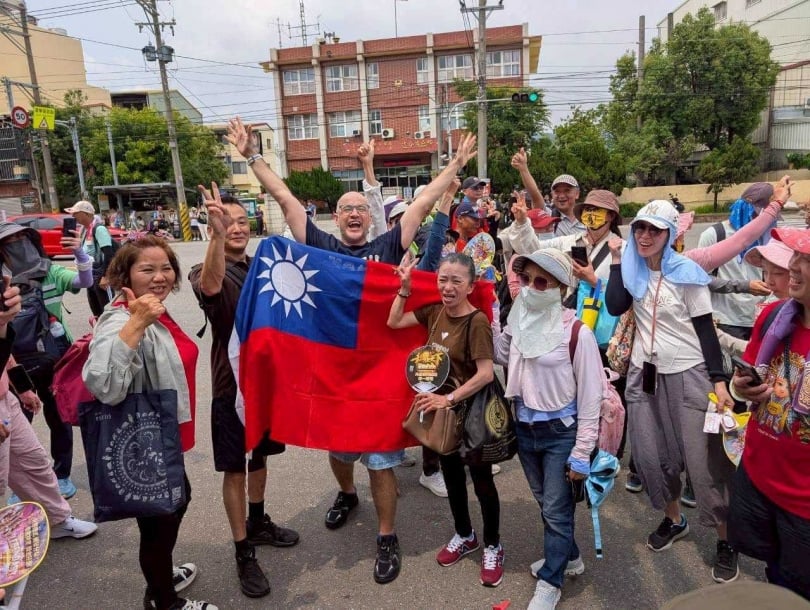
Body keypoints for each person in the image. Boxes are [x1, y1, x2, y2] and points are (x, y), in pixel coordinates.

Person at [220, 115, 477, 584]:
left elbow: (419, 205)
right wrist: (252, 156)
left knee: (380, 460)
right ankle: (346, 494)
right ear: (335, 218)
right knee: (338, 452)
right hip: (333, 380)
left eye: (361, 205)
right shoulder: (317, 248)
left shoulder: (386, 244)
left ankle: (385, 535)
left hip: (380, 379)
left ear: (369, 216)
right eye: (346, 207)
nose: (354, 212)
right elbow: (284, 198)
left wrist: (454, 165)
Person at [605, 199, 739, 583]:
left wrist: (718, 379)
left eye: (655, 230)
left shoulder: (687, 274)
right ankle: (673, 518)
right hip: (644, 375)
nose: (645, 236)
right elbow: (616, 305)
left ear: (670, 235)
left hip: (689, 373)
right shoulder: (633, 268)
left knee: (703, 463)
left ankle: (725, 538)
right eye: (640, 229)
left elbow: (704, 330)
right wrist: (617, 261)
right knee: (650, 455)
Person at [83, 235, 217, 610]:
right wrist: (136, 322)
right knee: (160, 521)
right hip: (144, 441)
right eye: (147, 269)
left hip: (163, 435)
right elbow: (104, 383)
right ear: (125, 274)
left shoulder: (155, 308)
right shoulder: (122, 317)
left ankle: (159, 576)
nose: (160, 277)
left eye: (166, 268)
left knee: (174, 505)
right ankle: (163, 600)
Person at [189, 193, 299, 599]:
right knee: (235, 468)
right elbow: (211, 287)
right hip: (230, 387)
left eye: (240, 221)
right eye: (227, 221)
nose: (236, 227)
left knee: (261, 456)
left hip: (266, 386)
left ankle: (258, 521)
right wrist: (215, 237)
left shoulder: (262, 267)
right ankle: (242, 550)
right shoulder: (205, 268)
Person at [494, 248, 602, 610]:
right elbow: (501, 354)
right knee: (547, 503)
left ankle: (550, 581)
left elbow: (591, 398)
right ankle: (569, 557)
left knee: (555, 510)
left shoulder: (576, 333)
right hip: (525, 429)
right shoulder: (519, 321)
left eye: (541, 282)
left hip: (561, 432)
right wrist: (492, 315)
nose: (530, 288)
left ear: (561, 288)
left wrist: (582, 452)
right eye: (525, 280)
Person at [388, 253, 503, 587]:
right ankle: (465, 535)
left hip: (473, 413)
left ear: (470, 286)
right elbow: (394, 322)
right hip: (445, 416)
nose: (448, 287)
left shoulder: (476, 321)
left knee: (482, 484)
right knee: (452, 478)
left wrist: (448, 398)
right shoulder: (435, 313)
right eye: (443, 279)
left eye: (456, 281)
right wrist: (405, 289)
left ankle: (493, 545)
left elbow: (484, 374)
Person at [728, 227, 810, 601]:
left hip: (803, 501)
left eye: (805, 260)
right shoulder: (776, 315)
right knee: (773, 572)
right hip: (759, 474)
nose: (792, 266)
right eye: (795, 255)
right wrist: (739, 388)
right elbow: (747, 377)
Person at [0, 222, 92, 501]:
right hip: (13, 360)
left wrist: (80, 255)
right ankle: (25, 484)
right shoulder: (2, 281)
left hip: (55, 357)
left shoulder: (50, 271)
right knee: (19, 423)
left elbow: (84, 282)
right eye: (9, 241)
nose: (17, 244)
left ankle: (61, 475)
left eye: (21, 238)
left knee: (58, 416)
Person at [0, 282, 97, 542]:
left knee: (34, 462)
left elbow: (5, 353)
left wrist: (22, 389)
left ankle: (57, 520)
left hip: (6, 401)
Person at [698, 183, 775, 342]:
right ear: (746, 209)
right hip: (726, 321)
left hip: (760, 319)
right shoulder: (715, 234)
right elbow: (699, 279)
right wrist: (744, 286)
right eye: (758, 216)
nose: (762, 222)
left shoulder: (767, 235)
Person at [511, 148, 585, 237]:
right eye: (557, 191)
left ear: (577, 194)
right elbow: (535, 194)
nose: (561, 196)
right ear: (552, 195)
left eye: (567, 190)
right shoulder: (547, 216)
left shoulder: (588, 219)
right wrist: (523, 169)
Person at [66, 199, 114, 317]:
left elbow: (109, 254)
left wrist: (106, 276)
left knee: (108, 310)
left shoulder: (99, 229)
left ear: (86, 214)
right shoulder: (84, 230)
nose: (73, 216)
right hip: (91, 274)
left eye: (76, 213)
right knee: (96, 310)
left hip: (100, 273)